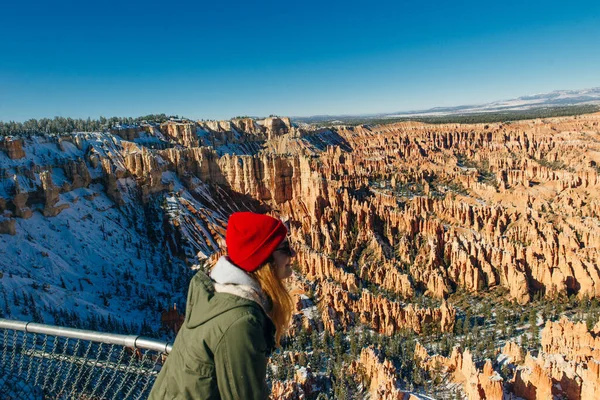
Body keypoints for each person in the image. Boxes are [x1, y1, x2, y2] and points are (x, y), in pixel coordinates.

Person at [149, 211, 296, 400]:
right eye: (284, 247)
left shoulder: (219, 297)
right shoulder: (241, 322)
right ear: (264, 259)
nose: (293, 253)